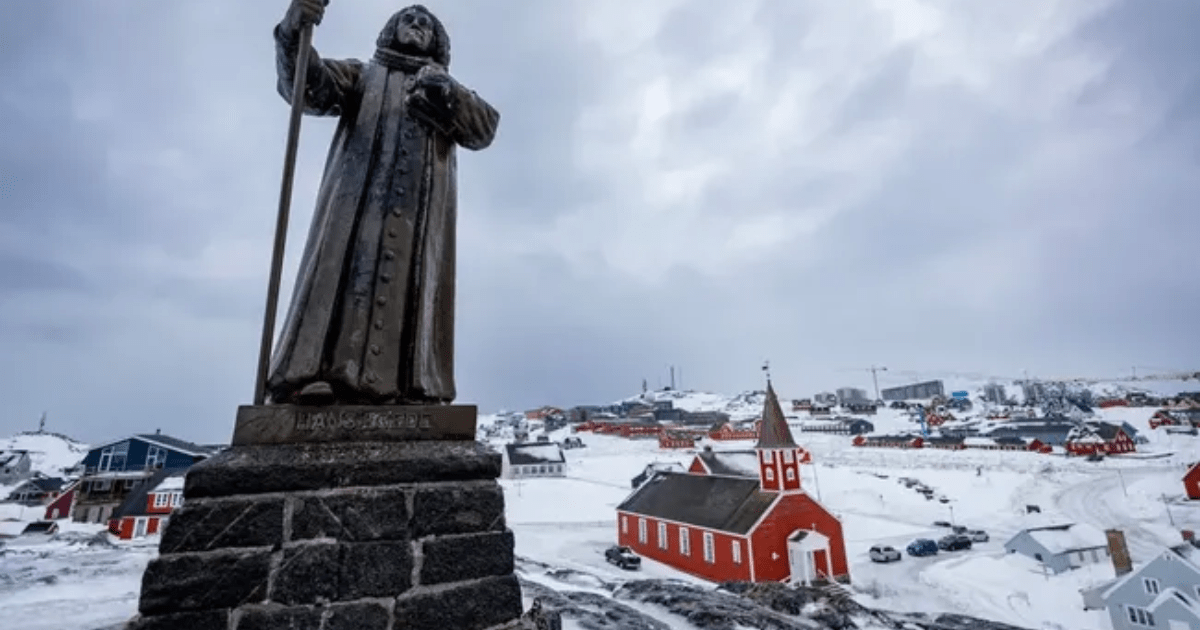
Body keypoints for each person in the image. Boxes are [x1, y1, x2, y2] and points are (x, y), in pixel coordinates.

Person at [266, 0, 500, 405]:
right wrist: (293, 32)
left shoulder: (444, 86)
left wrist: (448, 94)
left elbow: (484, 128)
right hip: (358, 208)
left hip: (419, 220)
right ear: (391, 30)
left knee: (414, 292)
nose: (416, 23)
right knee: (344, 280)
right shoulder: (363, 75)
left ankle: (411, 387)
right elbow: (306, 86)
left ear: (437, 41)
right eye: (408, 18)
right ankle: (316, 375)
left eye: (425, 23)